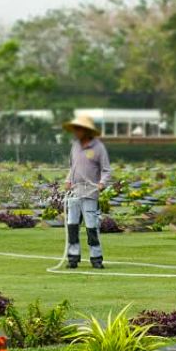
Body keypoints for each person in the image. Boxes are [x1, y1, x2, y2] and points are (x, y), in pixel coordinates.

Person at [63, 115, 111, 269]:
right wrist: (68, 180)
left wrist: (102, 183)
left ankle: (96, 258)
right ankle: (73, 258)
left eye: (78, 129)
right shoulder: (75, 146)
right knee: (72, 226)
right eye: (75, 129)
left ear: (86, 130)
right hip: (74, 192)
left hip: (90, 192)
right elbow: (72, 167)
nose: (75, 132)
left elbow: (106, 170)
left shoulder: (98, 147)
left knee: (91, 227)